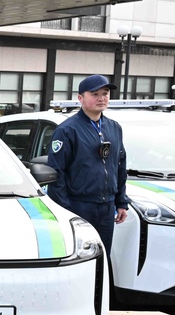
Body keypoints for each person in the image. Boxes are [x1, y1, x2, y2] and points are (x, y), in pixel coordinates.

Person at [47, 74, 129, 253]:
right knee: (80, 256)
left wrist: (121, 202)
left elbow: (120, 166)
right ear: (80, 98)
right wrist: (66, 211)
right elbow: (56, 173)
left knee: (103, 255)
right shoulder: (67, 130)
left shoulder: (114, 127)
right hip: (79, 205)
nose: (101, 98)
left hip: (107, 207)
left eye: (105, 93)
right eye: (95, 94)